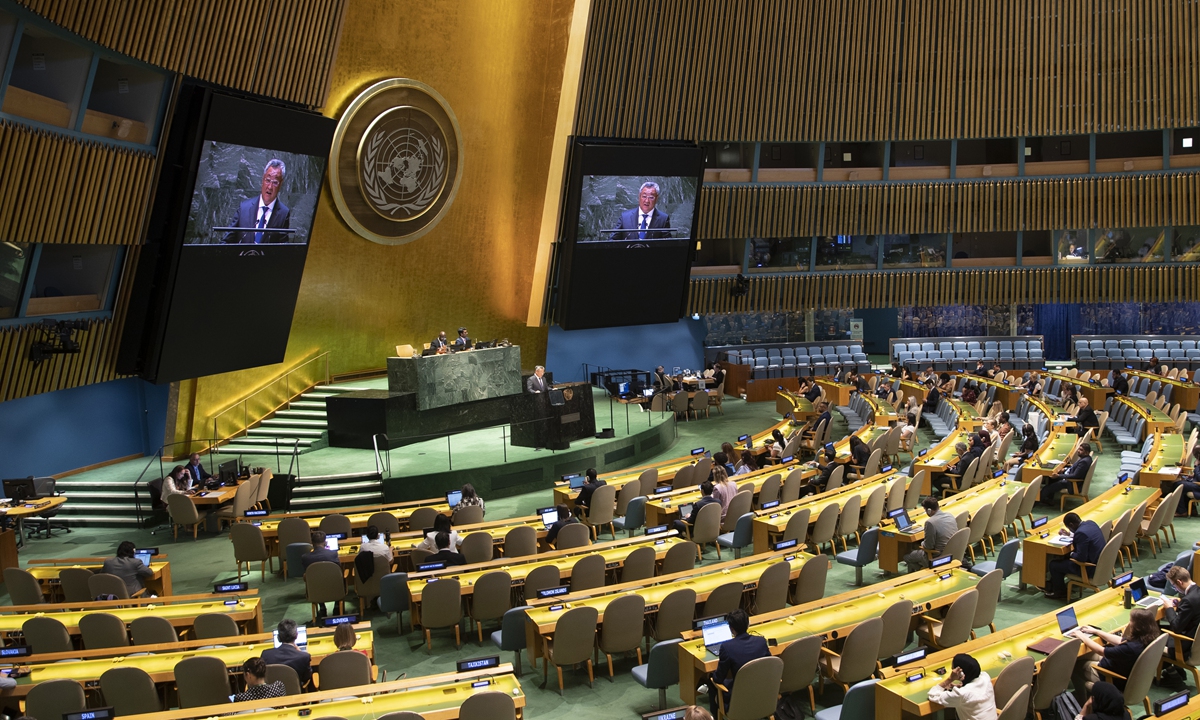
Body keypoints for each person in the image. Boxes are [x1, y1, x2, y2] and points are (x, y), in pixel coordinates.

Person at [1070, 608, 1160, 693]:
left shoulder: (1130, 648)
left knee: (1075, 663)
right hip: (1120, 666)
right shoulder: (1147, 638)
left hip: (1110, 676)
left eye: (1131, 621)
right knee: (1087, 654)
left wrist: (1081, 636)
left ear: (1138, 627)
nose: (1130, 623)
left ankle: (1079, 699)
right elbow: (1119, 640)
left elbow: (1101, 651)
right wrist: (1096, 631)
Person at [705, 609, 769, 714]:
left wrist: (712, 676)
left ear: (731, 629)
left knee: (712, 681)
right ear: (748, 624)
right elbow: (769, 665)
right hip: (762, 693)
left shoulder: (727, 647)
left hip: (739, 699)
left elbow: (719, 679)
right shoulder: (761, 642)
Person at [223, 159, 291, 244]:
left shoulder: (283, 213)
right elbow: (227, 240)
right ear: (262, 180)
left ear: (281, 184)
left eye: (275, 182)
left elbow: (283, 248)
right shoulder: (244, 207)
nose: (270, 187)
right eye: (268, 180)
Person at [1044, 511, 1104, 599]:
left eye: (1069, 528)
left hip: (1089, 568)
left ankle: (1060, 592)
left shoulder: (1081, 533)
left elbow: (1081, 558)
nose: (1070, 529)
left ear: (1071, 525)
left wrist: (1070, 553)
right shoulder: (1091, 523)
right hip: (1100, 563)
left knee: (1054, 565)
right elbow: (1085, 538)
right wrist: (1070, 534)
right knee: (1062, 560)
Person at [926, 653, 996, 720]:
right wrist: (955, 685)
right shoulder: (985, 677)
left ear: (961, 673)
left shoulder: (961, 694)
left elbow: (933, 695)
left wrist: (950, 679)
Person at [904, 497, 959, 572]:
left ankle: (924, 572)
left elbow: (929, 546)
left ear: (929, 510)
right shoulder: (950, 515)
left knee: (907, 557)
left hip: (937, 556)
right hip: (953, 552)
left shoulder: (930, 522)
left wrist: (921, 543)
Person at [1162, 566, 1200, 665]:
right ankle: (1176, 672)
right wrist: (1180, 605)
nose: (1175, 588)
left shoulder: (1188, 600)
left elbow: (1176, 628)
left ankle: (1172, 673)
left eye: (1174, 585)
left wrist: (1169, 608)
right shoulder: (1197, 592)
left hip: (1186, 647)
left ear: (1179, 582)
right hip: (1196, 639)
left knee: (1151, 637)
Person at [260, 619, 312, 688]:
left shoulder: (265, 655)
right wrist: (299, 653)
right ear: (296, 635)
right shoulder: (304, 656)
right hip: (295, 693)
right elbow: (306, 677)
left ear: (278, 637)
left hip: (274, 694)